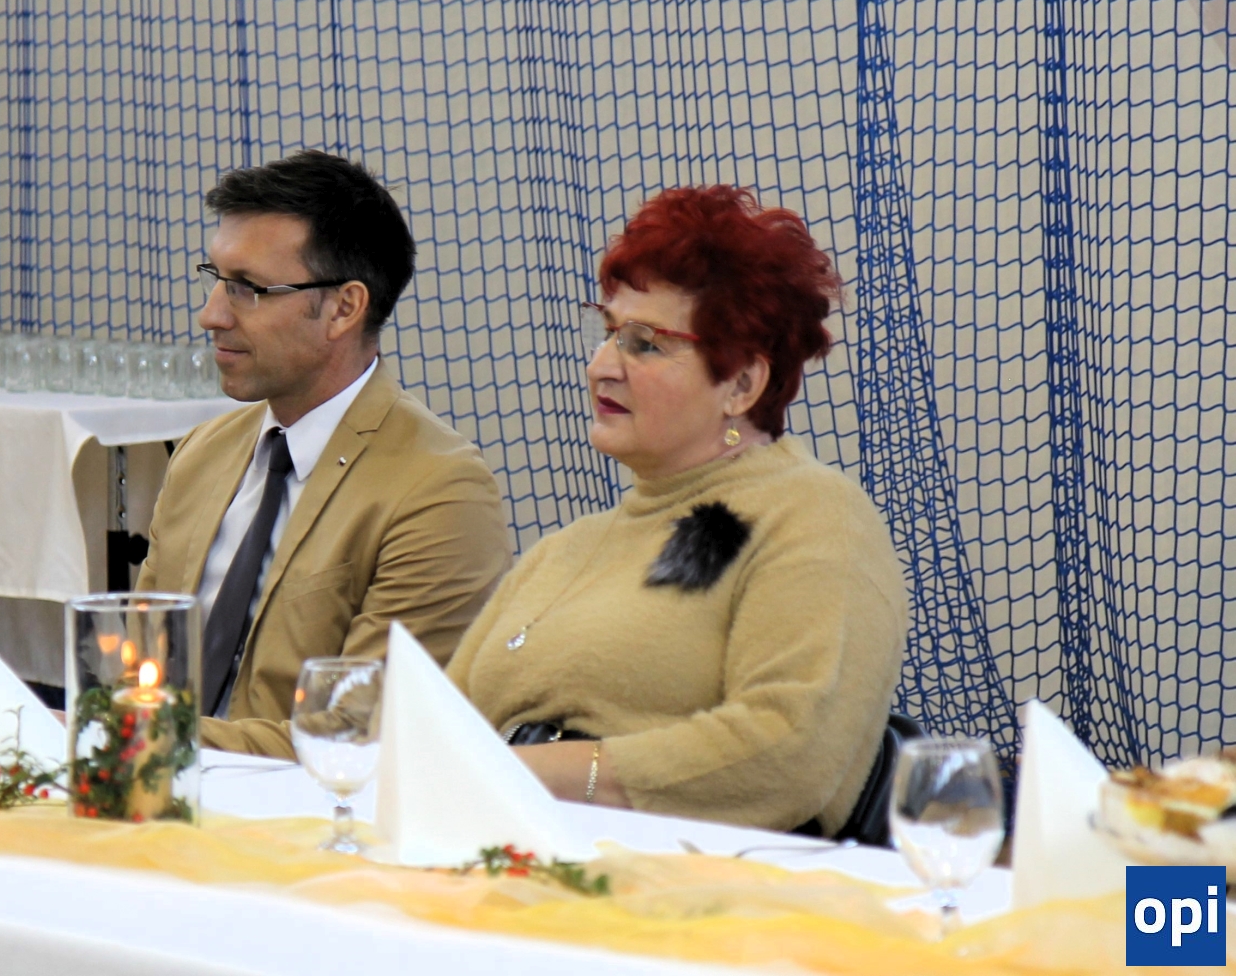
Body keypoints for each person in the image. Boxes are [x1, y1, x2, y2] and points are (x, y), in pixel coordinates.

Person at [447, 185, 908, 834]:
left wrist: (541, 775)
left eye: (645, 343)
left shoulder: (814, 517)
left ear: (741, 383)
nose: (601, 367)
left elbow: (787, 752)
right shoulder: (564, 549)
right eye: (609, 333)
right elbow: (435, 737)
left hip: (684, 885)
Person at [138, 150, 511, 759]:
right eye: (214, 278)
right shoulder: (204, 453)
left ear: (344, 308)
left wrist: (125, 733)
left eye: (247, 289)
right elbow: (141, 669)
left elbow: (358, 738)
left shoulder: (438, 492)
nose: (210, 314)